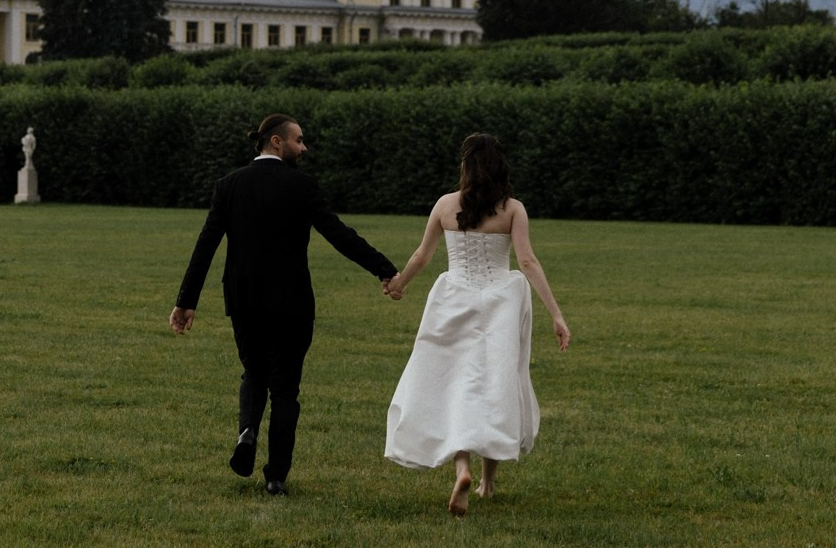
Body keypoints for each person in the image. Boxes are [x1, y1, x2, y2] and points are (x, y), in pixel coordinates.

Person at [172, 113, 399, 495]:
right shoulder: (301, 186)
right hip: (292, 301)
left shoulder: (228, 185)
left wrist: (186, 301)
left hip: (243, 300)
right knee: (285, 389)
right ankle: (276, 476)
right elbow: (338, 233)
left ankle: (247, 433)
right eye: (299, 140)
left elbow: (205, 245)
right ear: (276, 143)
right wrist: (384, 269)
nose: (304, 147)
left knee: (254, 372)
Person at [384, 132, 571, 516]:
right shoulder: (512, 209)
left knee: (455, 383)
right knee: (494, 384)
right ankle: (487, 482)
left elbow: (422, 255)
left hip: (453, 298)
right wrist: (556, 314)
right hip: (500, 301)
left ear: (465, 165)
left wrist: (399, 283)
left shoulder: (445, 204)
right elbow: (528, 262)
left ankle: (462, 469)